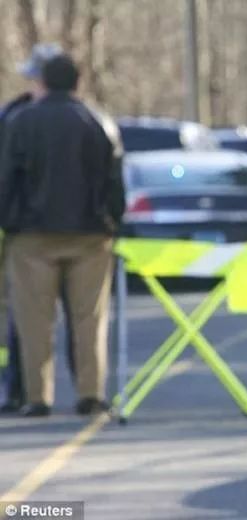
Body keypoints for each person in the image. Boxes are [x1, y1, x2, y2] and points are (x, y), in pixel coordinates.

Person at [0, 54, 125, 417]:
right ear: (76, 83)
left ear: (43, 82)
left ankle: (37, 396)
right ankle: (91, 393)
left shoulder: (21, 122)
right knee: (90, 319)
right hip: (90, 235)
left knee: (34, 320)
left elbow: (7, 177)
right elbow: (114, 178)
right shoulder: (98, 121)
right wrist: (114, 220)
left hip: (32, 235)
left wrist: (8, 221)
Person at [0, 42, 77, 413]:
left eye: (35, 76)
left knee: (79, 319)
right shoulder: (12, 116)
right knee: (21, 319)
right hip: (23, 232)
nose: (30, 82)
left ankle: (85, 393)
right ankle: (17, 388)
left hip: (71, 231)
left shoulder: (83, 120)